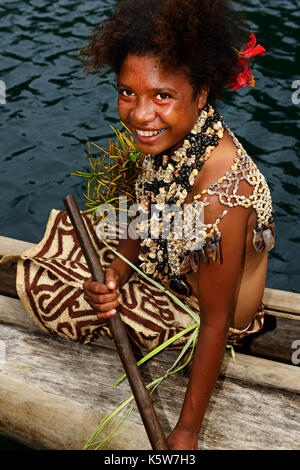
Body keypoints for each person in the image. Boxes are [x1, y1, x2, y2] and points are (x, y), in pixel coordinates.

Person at [80, 0, 275, 450]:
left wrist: (186, 431)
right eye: (127, 92)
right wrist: (116, 274)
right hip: (177, 275)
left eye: (161, 96)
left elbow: (216, 321)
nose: (140, 114)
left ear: (201, 93)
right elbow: (149, 210)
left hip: (209, 318)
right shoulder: (183, 136)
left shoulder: (221, 198)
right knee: (88, 247)